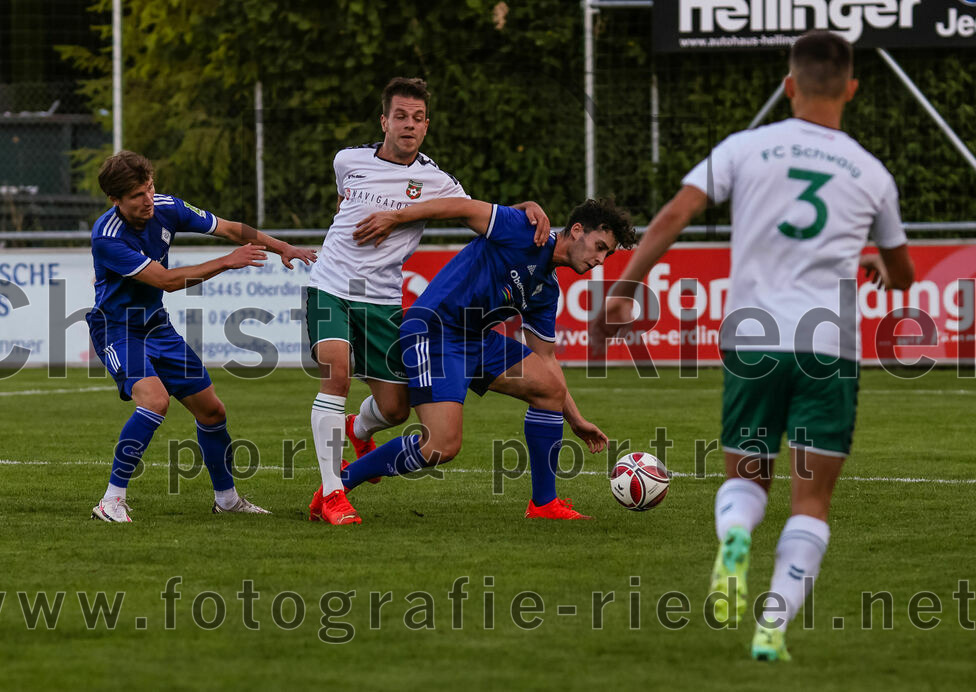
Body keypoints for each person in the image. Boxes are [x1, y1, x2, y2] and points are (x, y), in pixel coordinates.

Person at [596, 31, 914, 660]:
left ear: (790, 85)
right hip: (830, 348)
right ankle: (773, 624)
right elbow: (905, 279)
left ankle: (735, 536)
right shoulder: (872, 173)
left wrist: (624, 290)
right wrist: (879, 269)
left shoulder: (745, 148)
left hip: (753, 339)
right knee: (811, 499)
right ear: (850, 90)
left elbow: (671, 218)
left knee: (747, 481)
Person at [305, 77, 549, 525]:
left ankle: (360, 428)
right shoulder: (348, 160)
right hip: (329, 286)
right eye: (400, 116)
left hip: (381, 303)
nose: (409, 126)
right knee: (336, 374)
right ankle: (332, 492)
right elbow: (344, 199)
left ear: (426, 125)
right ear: (384, 120)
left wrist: (527, 204)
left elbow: (477, 210)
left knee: (396, 409)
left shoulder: (436, 181)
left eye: (418, 119)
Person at [311, 196, 636, 523]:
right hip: (435, 331)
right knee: (441, 446)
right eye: (599, 246)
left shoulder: (546, 290)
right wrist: (397, 217)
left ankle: (544, 504)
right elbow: (461, 209)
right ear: (577, 230)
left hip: (477, 339)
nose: (600, 259)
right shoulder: (524, 230)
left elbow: (547, 359)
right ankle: (339, 484)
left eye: (606, 252)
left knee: (550, 389)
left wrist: (576, 420)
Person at [87, 150, 316, 522]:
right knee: (155, 401)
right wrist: (226, 261)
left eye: (149, 189)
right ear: (115, 201)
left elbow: (228, 227)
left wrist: (283, 247)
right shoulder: (107, 237)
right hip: (118, 329)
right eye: (136, 197)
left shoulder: (165, 206)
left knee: (212, 411)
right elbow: (166, 281)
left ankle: (227, 499)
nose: (148, 201)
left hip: (156, 325)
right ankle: (111, 500)